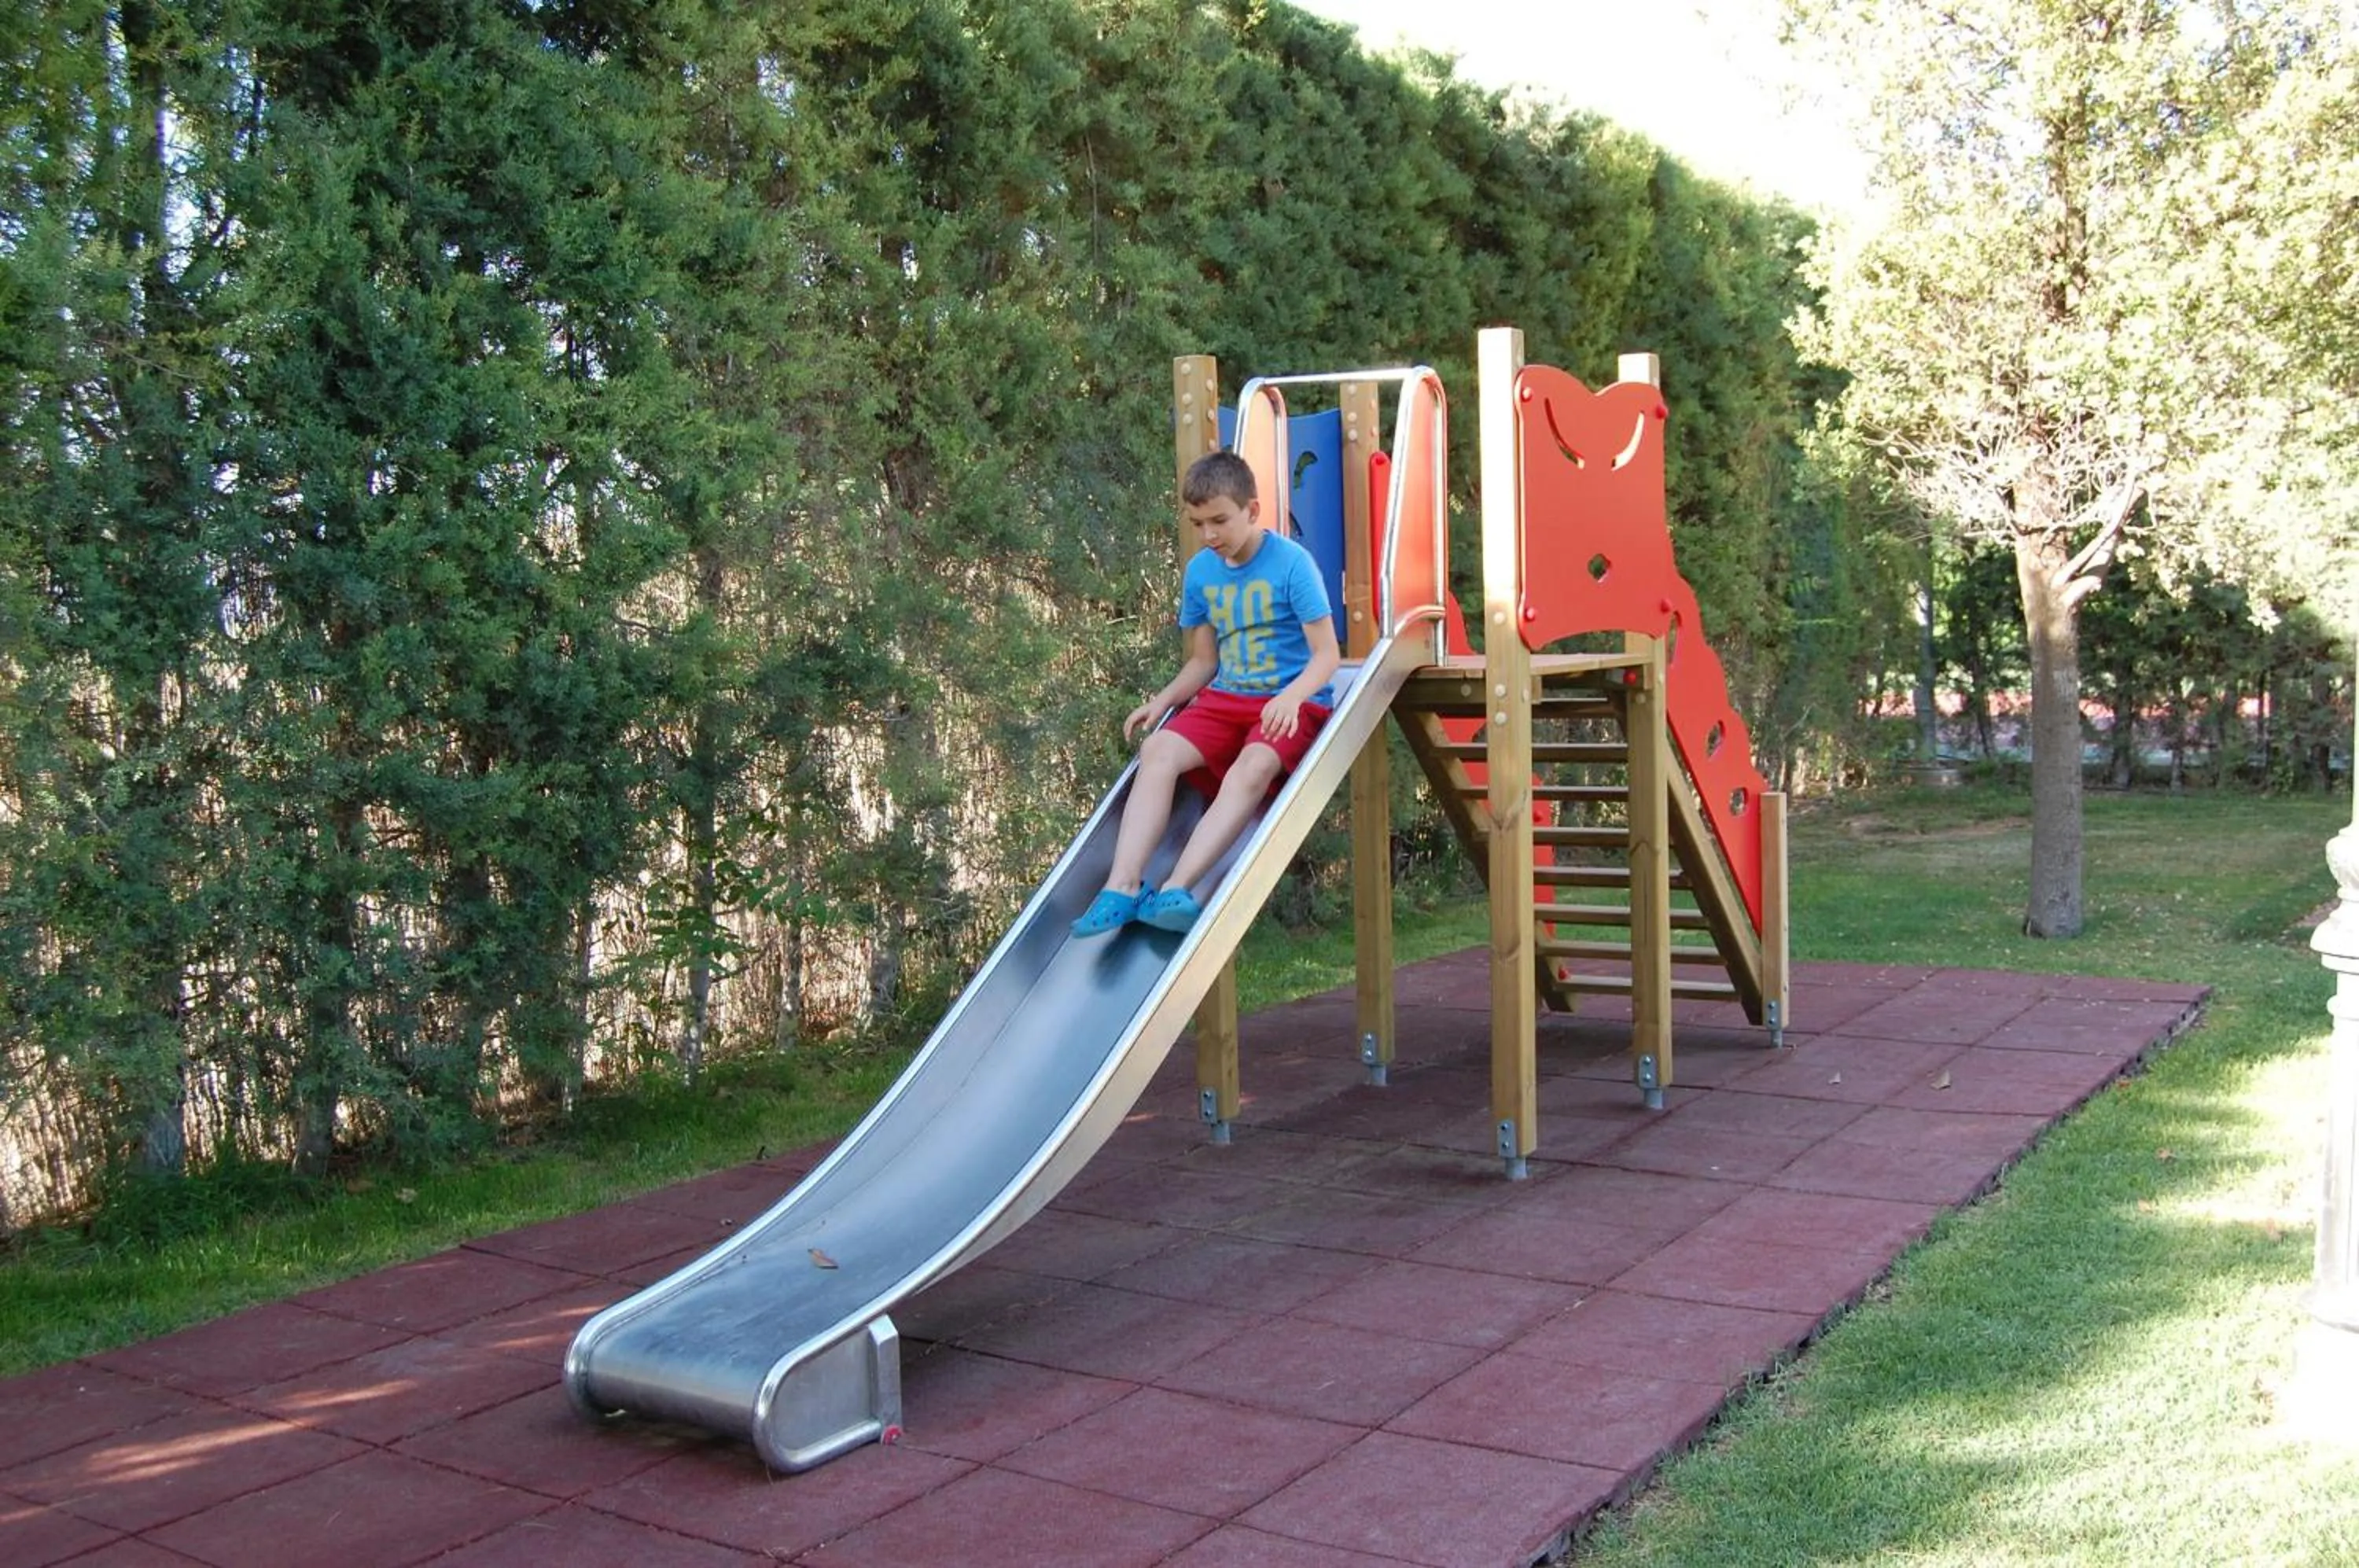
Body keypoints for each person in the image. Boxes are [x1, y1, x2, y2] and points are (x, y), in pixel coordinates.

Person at [1073, 449, 1341, 936]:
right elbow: (1204, 661)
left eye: (1220, 520)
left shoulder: (1292, 565)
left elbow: (1327, 656)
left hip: (1288, 702)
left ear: (1252, 511)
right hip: (1227, 698)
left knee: (1254, 766)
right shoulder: (1201, 572)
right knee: (1157, 750)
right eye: (1199, 523)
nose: (1210, 534)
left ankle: (1176, 887)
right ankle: (1124, 886)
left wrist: (1293, 696)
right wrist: (1162, 700)